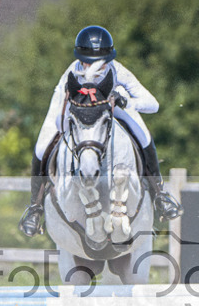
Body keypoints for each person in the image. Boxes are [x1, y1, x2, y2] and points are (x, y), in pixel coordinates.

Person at [19, 25, 183, 237]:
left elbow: (153, 104)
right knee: (42, 147)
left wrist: (126, 101)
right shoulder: (70, 75)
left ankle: (160, 194)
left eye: (101, 60)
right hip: (74, 114)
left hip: (110, 111)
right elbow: (60, 119)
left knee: (143, 134)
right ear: (80, 57)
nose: (95, 65)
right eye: (88, 60)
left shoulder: (117, 70)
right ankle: (35, 207)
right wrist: (69, 118)